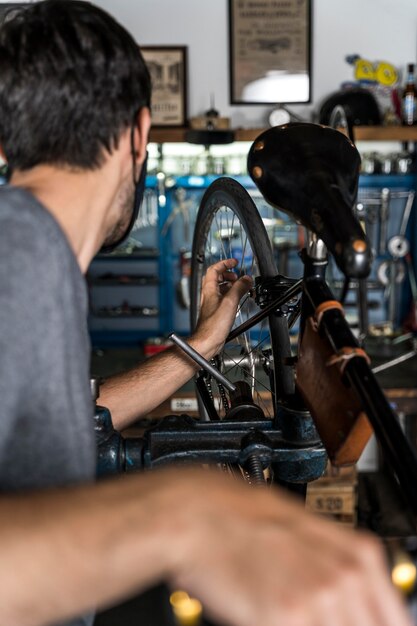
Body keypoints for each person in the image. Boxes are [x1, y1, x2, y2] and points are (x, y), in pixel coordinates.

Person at [0, 2, 412, 626]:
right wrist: (187, 513)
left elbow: (80, 422)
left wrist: (204, 341)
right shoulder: (18, 253)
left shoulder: (38, 259)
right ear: (140, 133)